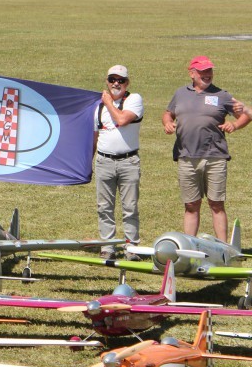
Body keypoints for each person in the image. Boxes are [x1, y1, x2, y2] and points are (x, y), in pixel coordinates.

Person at [162, 56, 249, 241]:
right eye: (202, 71)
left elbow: (246, 115)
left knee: (216, 204)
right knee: (191, 205)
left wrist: (235, 125)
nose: (207, 74)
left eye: (209, 70)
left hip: (215, 157)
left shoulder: (222, 95)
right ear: (192, 73)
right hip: (186, 156)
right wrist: (167, 123)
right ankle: (189, 246)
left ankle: (223, 248)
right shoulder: (180, 93)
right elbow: (168, 114)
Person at [93, 64, 143, 259]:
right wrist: (89, 161)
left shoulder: (134, 100)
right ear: (107, 82)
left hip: (128, 161)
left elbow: (122, 120)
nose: (116, 83)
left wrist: (108, 102)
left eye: (120, 80)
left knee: (130, 207)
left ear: (127, 83)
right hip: (103, 161)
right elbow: (95, 137)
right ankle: (108, 247)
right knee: (104, 207)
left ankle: (131, 247)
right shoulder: (97, 108)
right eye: (112, 80)